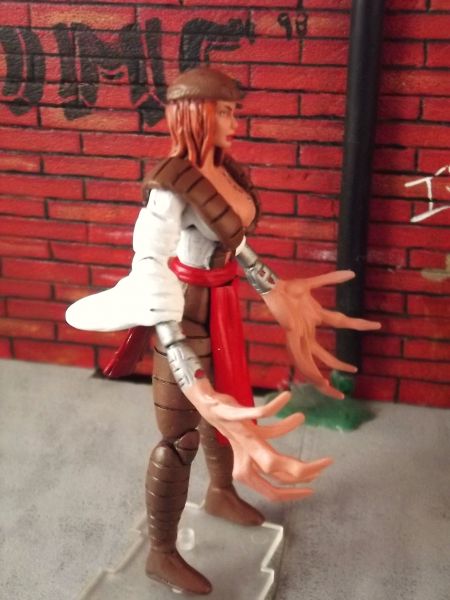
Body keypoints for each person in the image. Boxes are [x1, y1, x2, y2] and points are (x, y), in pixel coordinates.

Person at [66, 66, 380, 595]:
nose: (235, 122)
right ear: (196, 114)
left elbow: (233, 242)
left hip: (222, 306)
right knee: (181, 435)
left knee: (228, 408)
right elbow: (149, 266)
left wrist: (275, 289)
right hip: (181, 315)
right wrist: (183, 363)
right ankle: (161, 553)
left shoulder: (223, 171)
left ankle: (220, 493)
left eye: (234, 111)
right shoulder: (170, 186)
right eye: (226, 112)